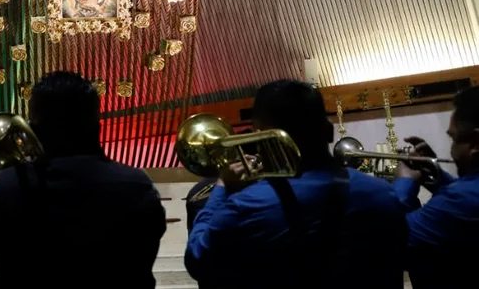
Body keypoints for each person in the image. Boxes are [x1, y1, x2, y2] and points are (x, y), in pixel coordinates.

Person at [0, 71, 166, 289]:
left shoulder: (2, 187)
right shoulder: (139, 186)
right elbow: (149, 242)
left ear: (33, 129)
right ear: (97, 127)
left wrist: (8, 238)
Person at [185, 80, 407, 288]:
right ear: (329, 130)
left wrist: (223, 188)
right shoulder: (383, 194)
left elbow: (198, 258)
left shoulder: (247, 205)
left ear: (261, 137)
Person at [394, 86, 479, 288]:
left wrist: (403, 183)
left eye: (454, 138)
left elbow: (393, 237)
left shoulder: (461, 198)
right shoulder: (466, 192)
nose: (452, 149)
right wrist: (439, 178)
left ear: (475, 143)